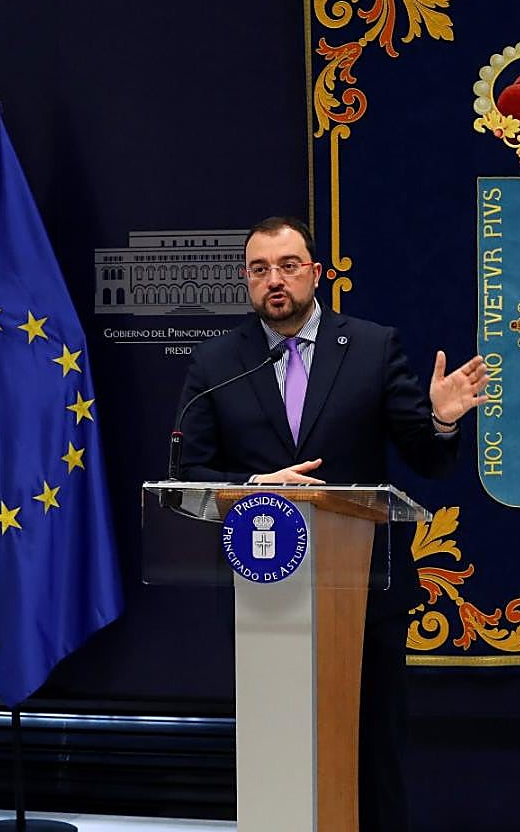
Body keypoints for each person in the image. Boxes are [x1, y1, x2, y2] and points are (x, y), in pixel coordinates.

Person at [176, 215, 488, 832]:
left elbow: (425, 459)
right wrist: (256, 485)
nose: (275, 280)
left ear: (315, 273)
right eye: (260, 269)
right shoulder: (218, 362)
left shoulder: (371, 347)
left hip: (363, 594)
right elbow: (191, 474)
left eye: (288, 266)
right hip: (264, 594)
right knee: (278, 754)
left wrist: (442, 420)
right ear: (246, 280)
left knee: (372, 752)